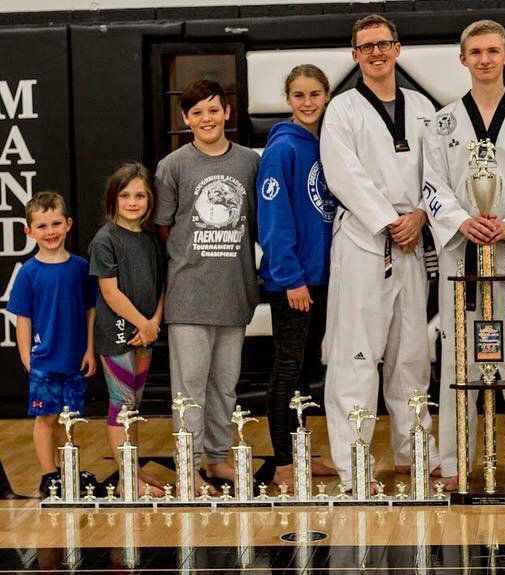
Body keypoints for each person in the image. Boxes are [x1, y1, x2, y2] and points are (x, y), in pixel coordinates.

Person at [423, 19, 505, 492]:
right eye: (475, 51)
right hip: (463, 260)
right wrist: (462, 221)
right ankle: (455, 463)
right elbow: (432, 186)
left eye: (492, 51)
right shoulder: (442, 122)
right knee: (461, 361)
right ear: (462, 60)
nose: (483, 59)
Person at [321, 15, 440, 493]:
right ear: (354, 55)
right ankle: (354, 467)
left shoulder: (424, 107)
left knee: (412, 356)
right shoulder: (342, 109)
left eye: (383, 44)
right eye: (366, 46)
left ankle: (416, 455)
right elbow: (342, 173)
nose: (376, 52)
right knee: (356, 357)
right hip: (365, 242)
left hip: (413, 241)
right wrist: (389, 221)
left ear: (397, 48)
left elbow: (441, 170)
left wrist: (420, 217)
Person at [154, 79, 260, 494]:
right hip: (189, 297)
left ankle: (216, 458)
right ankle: (188, 465)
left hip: (234, 294)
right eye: (197, 113)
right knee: (189, 388)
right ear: (186, 119)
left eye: (213, 110)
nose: (206, 119)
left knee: (224, 386)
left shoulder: (249, 162)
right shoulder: (174, 166)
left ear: (227, 112)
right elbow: (164, 227)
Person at [257, 64, 339, 488]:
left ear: (326, 96)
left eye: (315, 95)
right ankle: (285, 462)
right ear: (288, 100)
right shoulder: (282, 150)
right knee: (286, 369)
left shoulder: (325, 142)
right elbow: (274, 219)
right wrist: (290, 278)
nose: (308, 103)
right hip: (293, 281)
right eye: (299, 96)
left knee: (307, 369)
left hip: (321, 277)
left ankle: (304, 451)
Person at [8, 192, 96, 497]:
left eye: (56, 223)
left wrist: (88, 349)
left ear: (68, 224)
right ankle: (49, 475)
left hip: (74, 358)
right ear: (28, 231)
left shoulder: (82, 268)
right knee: (45, 417)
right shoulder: (29, 273)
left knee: (68, 418)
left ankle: (68, 468)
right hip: (44, 360)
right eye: (42, 226)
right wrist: (26, 358)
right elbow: (22, 318)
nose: (50, 231)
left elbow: (90, 311)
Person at [88, 164, 167, 497]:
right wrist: (142, 323)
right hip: (118, 333)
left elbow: (162, 284)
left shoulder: (150, 239)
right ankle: (125, 479)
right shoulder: (105, 240)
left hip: (145, 333)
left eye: (139, 195)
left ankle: (133, 471)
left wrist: (154, 323)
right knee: (121, 403)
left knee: (134, 403)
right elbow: (110, 292)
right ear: (113, 199)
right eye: (125, 195)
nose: (133, 202)